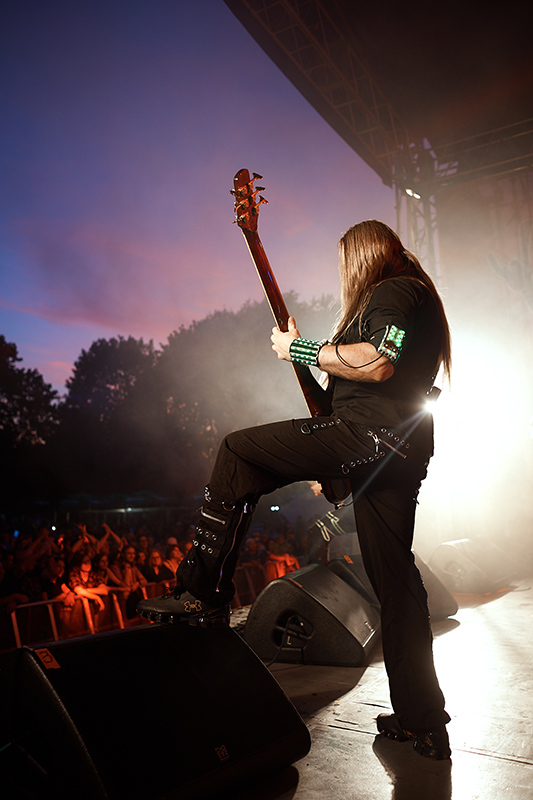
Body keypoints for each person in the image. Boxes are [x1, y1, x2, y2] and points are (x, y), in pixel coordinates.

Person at [138, 220, 452, 759]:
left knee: (237, 451)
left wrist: (301, 348)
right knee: (396, 583)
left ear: (362, 255)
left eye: (344, 261)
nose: (343, 274)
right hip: (396, 449)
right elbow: (363, 379)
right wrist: (329, 451)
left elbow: (381, 361)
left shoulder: (395, 289)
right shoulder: (412, 295)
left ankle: (201, 591)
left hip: (368, 437)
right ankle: (422, 719)